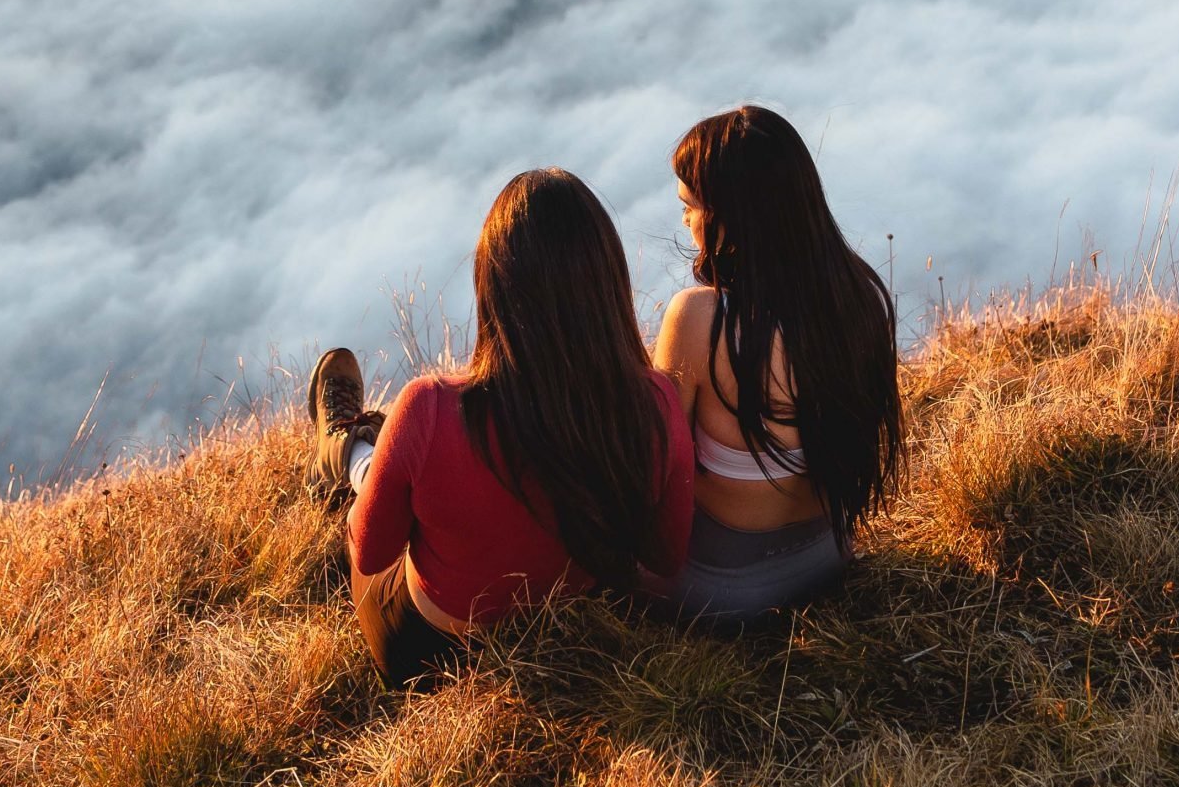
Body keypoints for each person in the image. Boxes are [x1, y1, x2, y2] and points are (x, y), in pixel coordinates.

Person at [305, 167, 696, 685]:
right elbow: (666, 558)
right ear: (608, 281)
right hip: (575, 633)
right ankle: (359, 451)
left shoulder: (429, 407)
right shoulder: (655, 405)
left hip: (431, 653)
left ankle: (348, 450)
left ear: (495, 287)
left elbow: (371, 550)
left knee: (376, 477)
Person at [651, 105, 901, 624]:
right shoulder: (862, 299)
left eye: (689, 206)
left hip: (719, 593)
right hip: (828, 559)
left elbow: (657, 471)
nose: (685, 220)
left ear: (731, 216)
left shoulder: (699, 318)